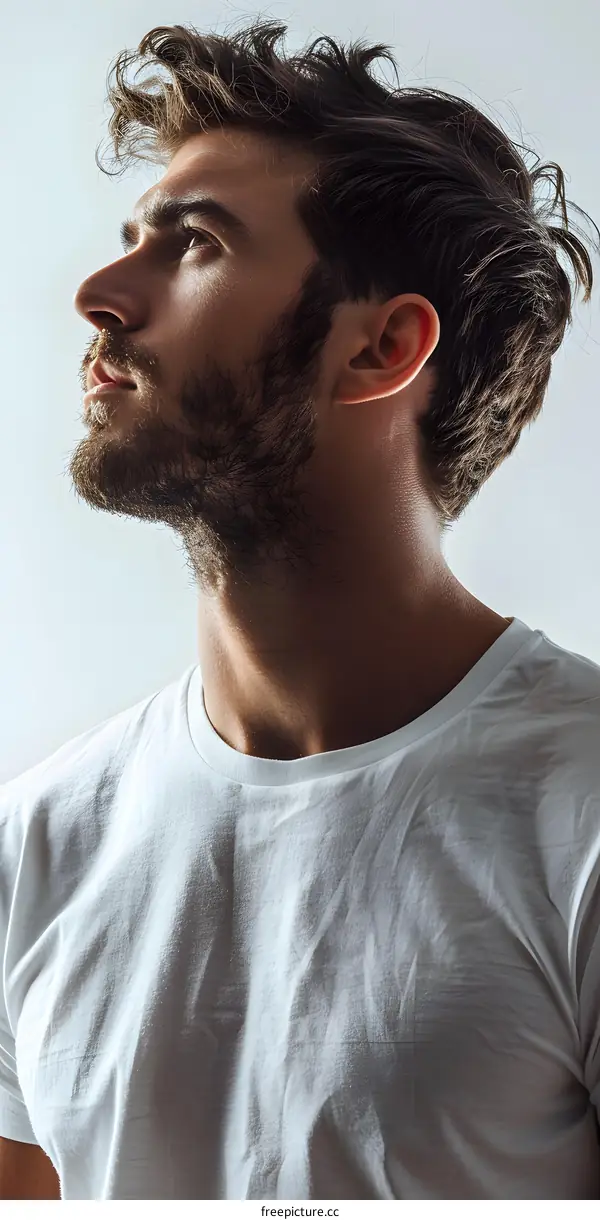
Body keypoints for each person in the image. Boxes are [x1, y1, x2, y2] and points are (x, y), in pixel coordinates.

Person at [1, 17, 599, 1202]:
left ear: (382, 348)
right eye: (133, 239)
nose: (99, 293)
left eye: (194, 244)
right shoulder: (37, 845)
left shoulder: (579, 807)